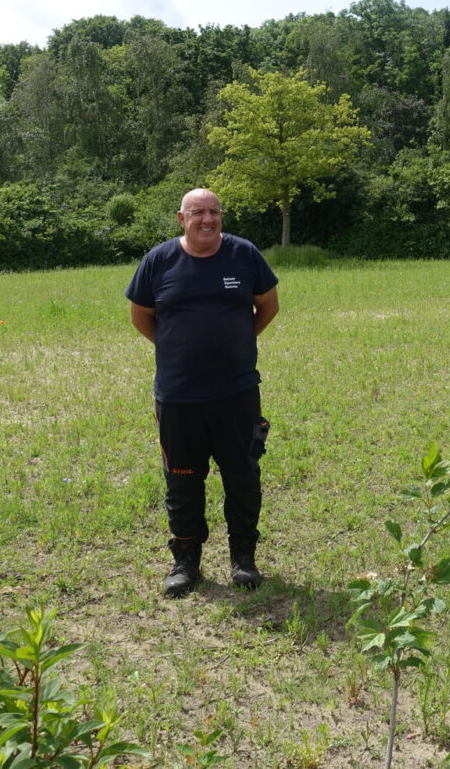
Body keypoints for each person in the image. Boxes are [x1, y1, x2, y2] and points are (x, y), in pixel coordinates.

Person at [126, 188, 279, 596]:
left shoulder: (244, 254)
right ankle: (185, 561)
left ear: (221, 216)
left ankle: (243, 558)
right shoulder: (158, 261)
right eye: (197, 212)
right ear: (181, 218)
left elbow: (267, 305)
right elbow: (140, 314)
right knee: (182, 480)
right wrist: (174, 346)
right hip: (178, 396)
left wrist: (240, 342)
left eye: (213, 212)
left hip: (237, 392)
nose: (206, 219)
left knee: (242, 475)